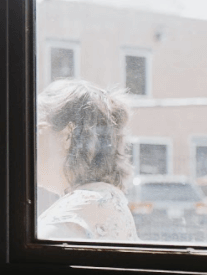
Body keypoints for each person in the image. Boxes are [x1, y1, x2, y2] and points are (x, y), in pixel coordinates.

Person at [35, 79, 138, 241]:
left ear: (67, 135)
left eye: (37, 128)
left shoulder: (77, 209)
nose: (27, 138)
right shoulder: (107, 198)